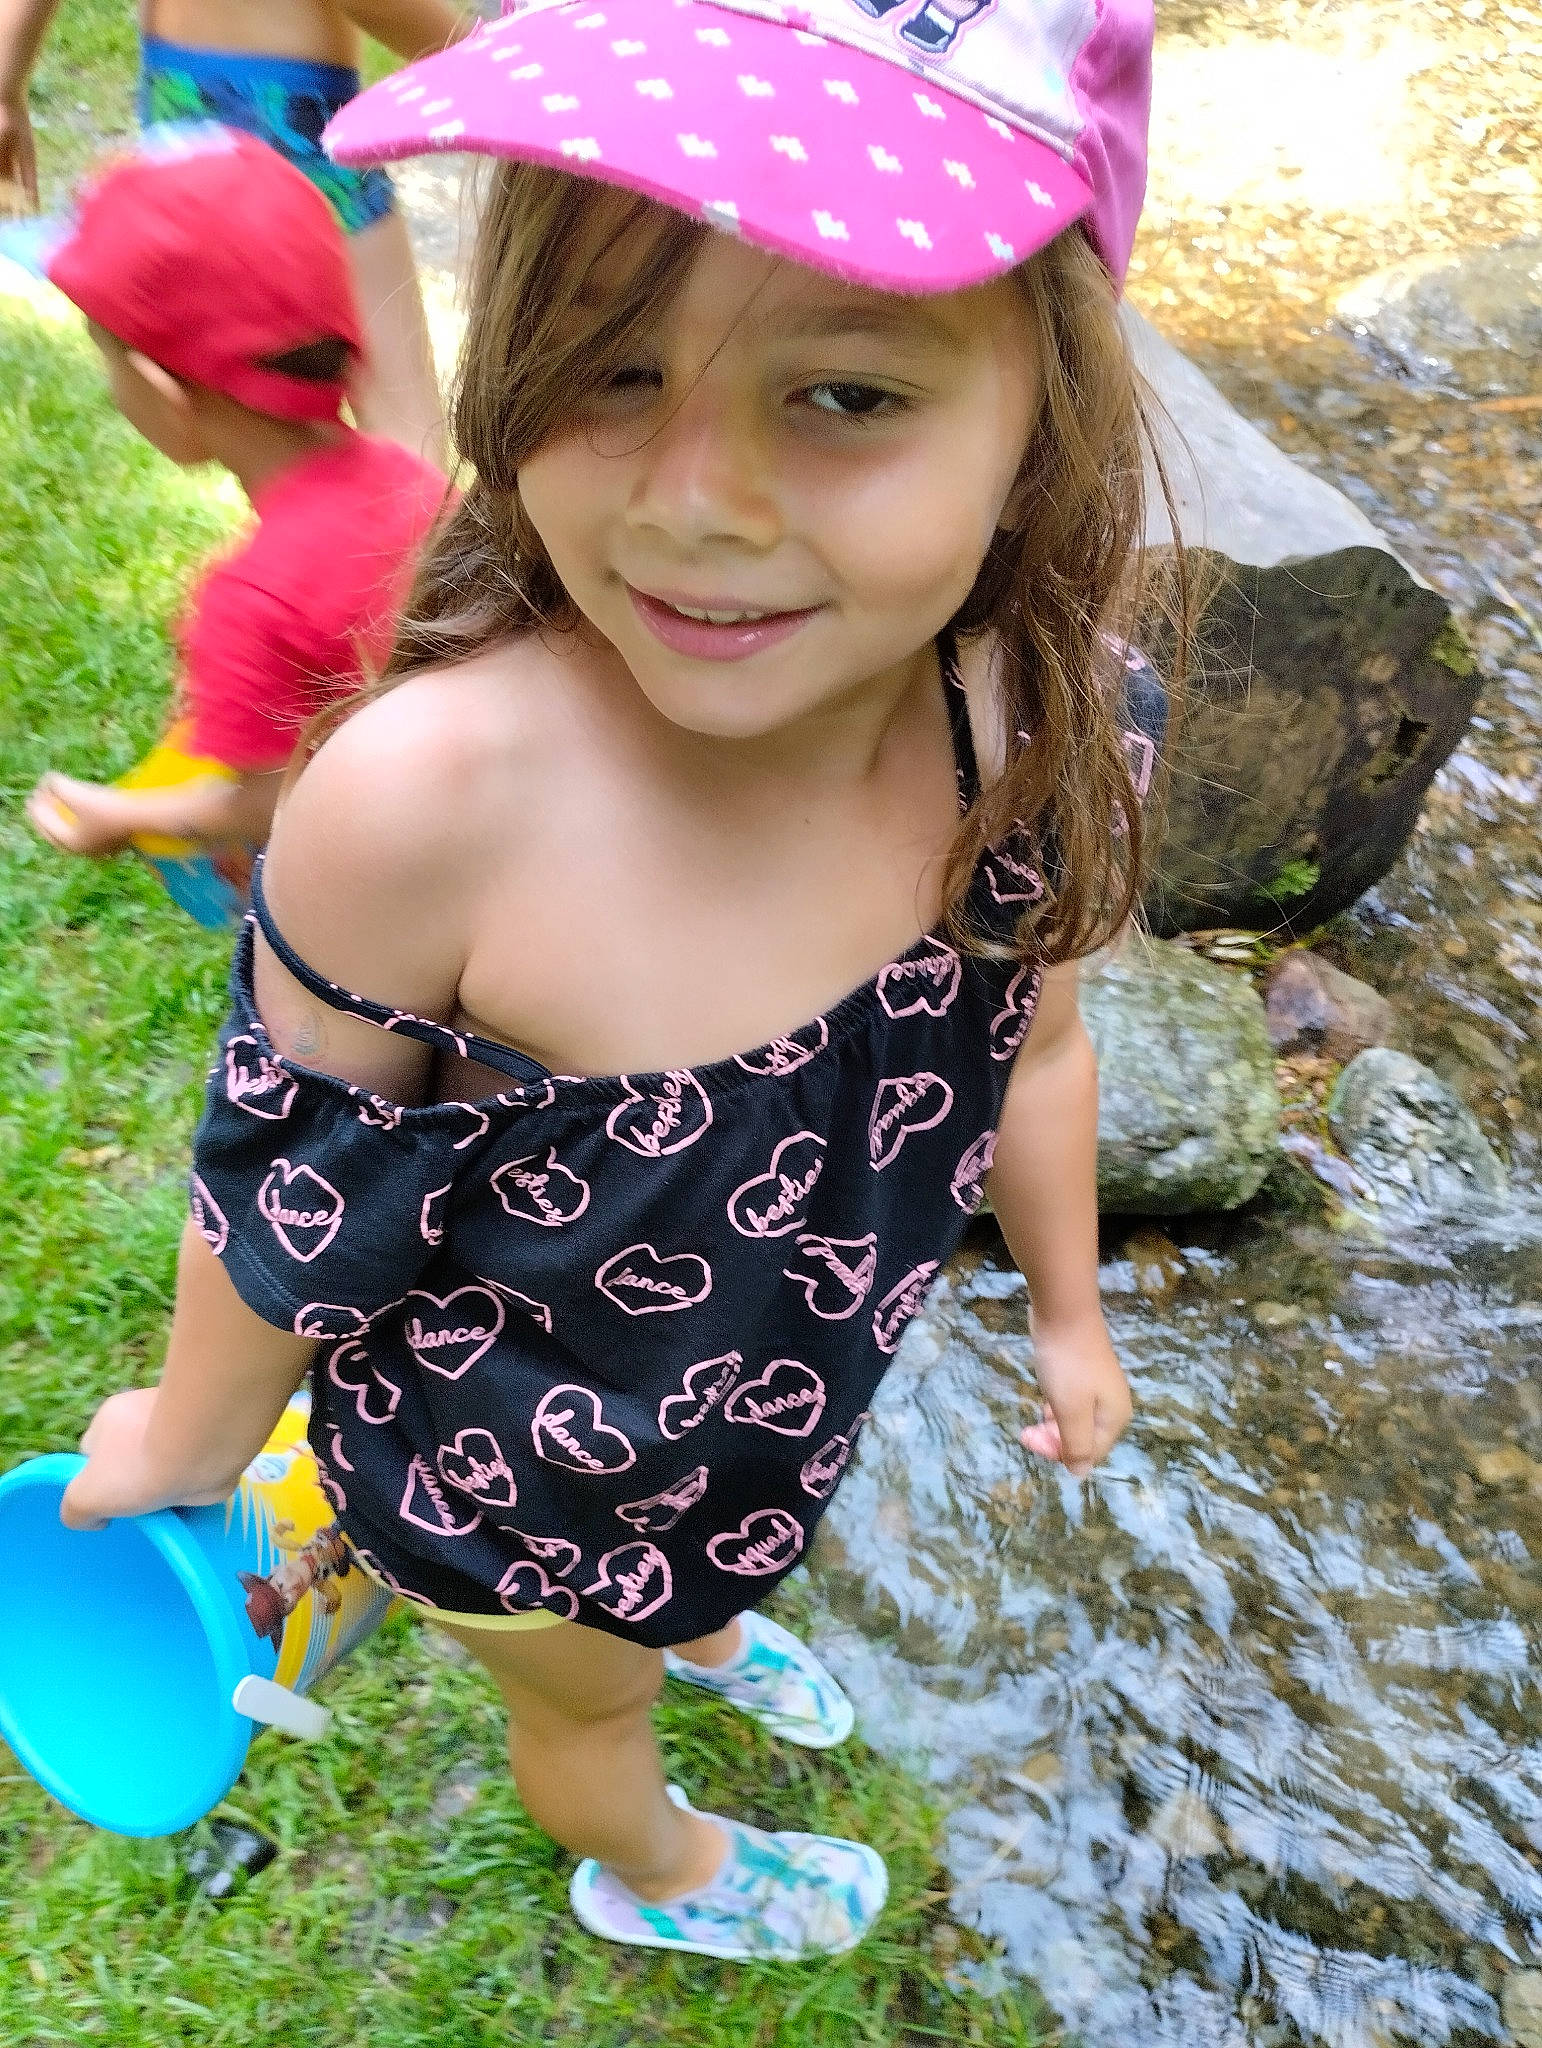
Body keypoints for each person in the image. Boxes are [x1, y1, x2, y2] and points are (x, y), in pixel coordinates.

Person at [57, 0, 1172, 1965]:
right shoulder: (431, 807)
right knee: (586, 1691)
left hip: (774, 1376)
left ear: (1043, 418)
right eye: (617, 366)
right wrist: (196, 1439)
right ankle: (648, 1856)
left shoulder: (1030, 719)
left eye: (845, 394)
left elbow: (1039, 1042)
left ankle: (703, 1600)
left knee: (675, 1589)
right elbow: (294, 1192)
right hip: (507, 1472)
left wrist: (1070, 1314)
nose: (693, 499)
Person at [22, 125, 447, 926]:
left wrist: (119, 817)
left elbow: (265, 800)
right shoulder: (414, 481)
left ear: (164, 392)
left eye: (109, 363)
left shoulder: (248, 600)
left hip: (390, 914)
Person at [0, 0, 469, 465]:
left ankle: (308, 534)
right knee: (404, 432)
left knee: (259, 427)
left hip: (179, 95)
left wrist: (5, 78)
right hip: (286, 105)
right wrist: (478, 54)